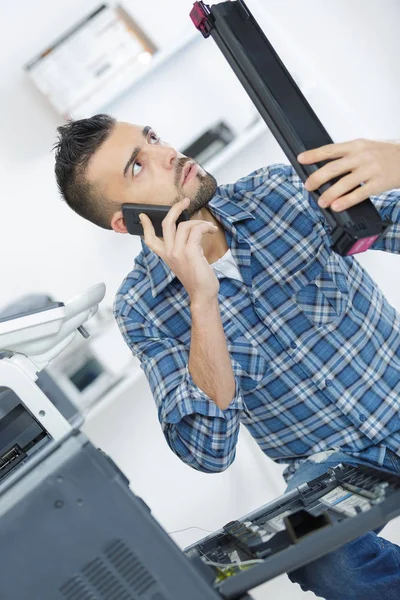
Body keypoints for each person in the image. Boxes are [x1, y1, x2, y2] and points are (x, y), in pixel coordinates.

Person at [54, 114, 400, 599]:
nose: (167, 153)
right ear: (124, 221)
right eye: (137, 166)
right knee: (324, 560)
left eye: (151, 137)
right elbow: (209, 451)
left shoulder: (279, 192)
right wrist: (202, 299)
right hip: (328, 462)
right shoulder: (142, 308)